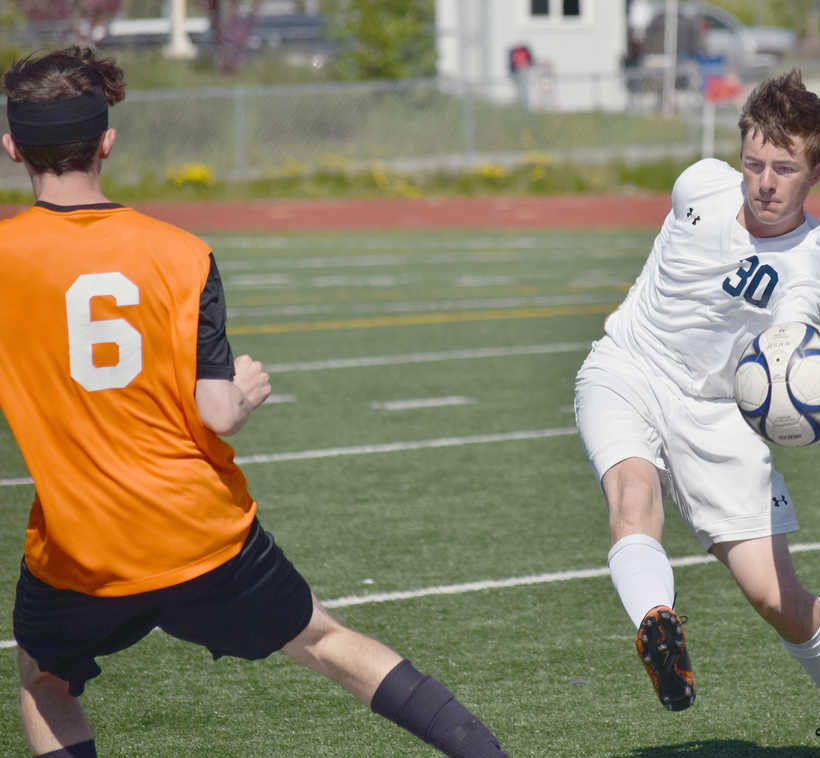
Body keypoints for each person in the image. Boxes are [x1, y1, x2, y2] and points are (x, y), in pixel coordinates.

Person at [0, 46, 512, 758]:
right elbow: (216, 413)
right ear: (107, 142)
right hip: (201, 534)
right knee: (327, 643)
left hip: (81, 549)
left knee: (44, 680)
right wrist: (243, 391)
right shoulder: (182, 252)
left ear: (12, 145)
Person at [573, 70, 820, 757]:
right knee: (632, 497)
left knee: (776, 599)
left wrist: (793, 376)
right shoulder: (696, 185)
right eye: (754, 163)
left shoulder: (805, 269)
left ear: (819, 170)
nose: (765, 182)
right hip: (627, 367)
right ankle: (657, 622)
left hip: (720, 417)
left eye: (785, 168)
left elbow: (795, 344)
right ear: (737, 153)